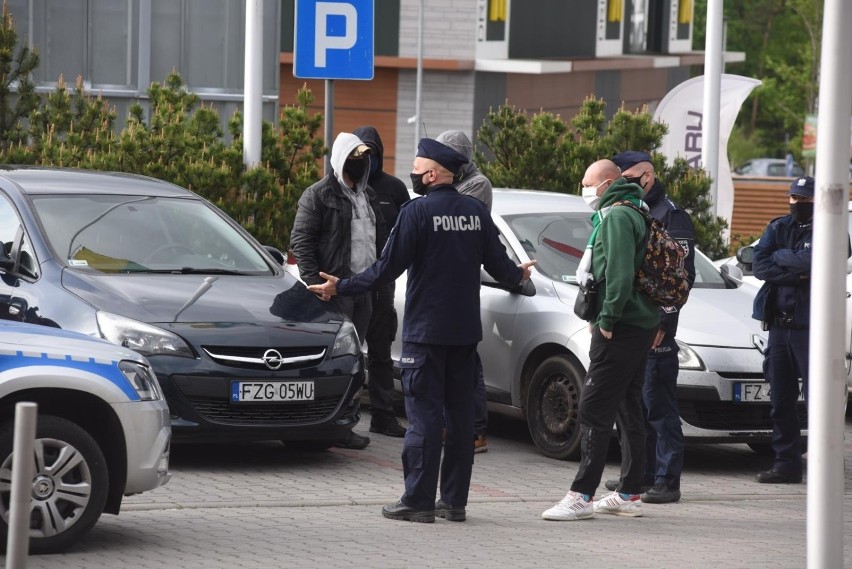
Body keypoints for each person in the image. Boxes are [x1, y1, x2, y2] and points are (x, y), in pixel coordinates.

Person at [307, 138, 535, 523]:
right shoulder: (476, 213)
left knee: (425, 419)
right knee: (461, 420)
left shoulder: (416, 213)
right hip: (464, 335)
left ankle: (418, 501)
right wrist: (520, 276)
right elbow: (503, 267)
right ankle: (455, 502)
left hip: (425, 335)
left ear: (431, 174)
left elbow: (385, 270)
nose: (411, 173)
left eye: (416, 167)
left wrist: (340, 286)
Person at [541, 159, 659, 521]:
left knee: (594, 407)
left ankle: (581, 495)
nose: (584, 189)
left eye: (587, 183)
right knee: (627, 406)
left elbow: (620, 275)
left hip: (620, 327)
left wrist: (606, 319)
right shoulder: (633, 211)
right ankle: (629, 493)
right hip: (636, 326)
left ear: (607, 183)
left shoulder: (619, 217)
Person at [602, 151, 696, 504]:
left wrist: (665, 321)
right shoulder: (634, 210)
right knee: (636, 404)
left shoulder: (670, 215)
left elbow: (681, 277)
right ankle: (638, 474)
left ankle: (667, 480)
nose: (623, 184)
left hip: (656, 325)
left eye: (628, 177)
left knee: (659, 405)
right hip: (635, 324)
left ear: (647, 176)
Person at [290, 131, 384, 450]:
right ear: (340, 158)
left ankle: (346, 421)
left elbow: (377, 240)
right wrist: (315, 286)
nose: (361, 163)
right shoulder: (318, 195)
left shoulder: (368, 195)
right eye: (355, 157)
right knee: (335, 360)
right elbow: (301, 242)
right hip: (333, 290)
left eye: (364, 158)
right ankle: (329, 425)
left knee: (357, 358)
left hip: (364, 288)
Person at [750, 176, 815, 484]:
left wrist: (781, 259)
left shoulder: (830, 229)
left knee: (819, 400)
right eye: (794, 198)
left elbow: (812, 261)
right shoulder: (778, 227)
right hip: (779, 325)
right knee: (781, 399)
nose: (797, 204)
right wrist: (793, 271)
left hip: (810, 328)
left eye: (803, 199)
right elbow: (759, 264)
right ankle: (786, 465)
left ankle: (820, 465)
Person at [435, 129, 491, 453]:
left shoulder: (477, 184)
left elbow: (455, 217)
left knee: (470, 365)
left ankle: (476, 430)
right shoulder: (454, 183)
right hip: (443, 286)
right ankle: (452, 426)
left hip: (463, 286)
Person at [352, 126, 411, 438]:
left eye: (372, 153)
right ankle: (343, 417)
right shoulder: (343, 185)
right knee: (345, 354)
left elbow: (408, 232)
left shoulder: (394, 188)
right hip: (349, 285)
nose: (367, 159)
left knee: (380, 354)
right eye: (362, 153)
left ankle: (383, 416)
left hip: (382, 285)